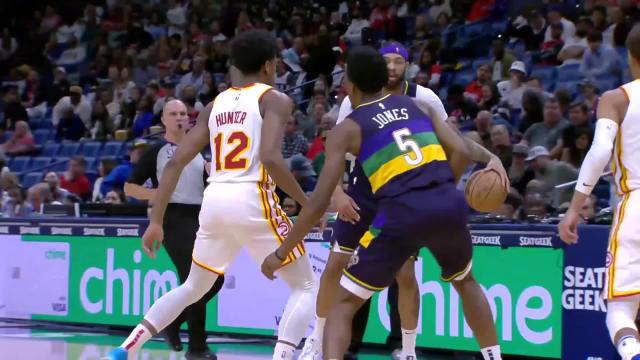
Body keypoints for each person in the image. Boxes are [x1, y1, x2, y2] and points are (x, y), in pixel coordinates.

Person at [262, 46, 503, 360]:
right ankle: (493, 356)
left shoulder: (346, 130)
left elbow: (319, 201)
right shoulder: (418, 106)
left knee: (343, 306)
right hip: (447, 203)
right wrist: (451, 180)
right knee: (465, 281)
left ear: (349, 83)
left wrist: (282, 252)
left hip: (401, 214)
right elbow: (459, 150)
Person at [106, 30, 317, 360]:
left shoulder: (214, 105)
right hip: (251, 197)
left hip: (215, 199)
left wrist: (156, 221)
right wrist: (308, 204)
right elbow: (273, 160)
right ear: (269, 66)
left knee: (193, 286)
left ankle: (126, 348)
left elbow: (176, 161)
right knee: (304, 286)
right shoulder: (274, 99)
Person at [559, 24, 640, 360]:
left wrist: (574, 208)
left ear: (629, 55)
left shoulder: (617, 98)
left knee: (620, 312)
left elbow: (599, 152)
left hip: (635, 205)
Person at [124, 99, 224, 359]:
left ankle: (173, 320)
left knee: (215, 278)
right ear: (164, 120)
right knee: (196, 277)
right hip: (173, 217)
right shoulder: (157, 150)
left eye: (183, 113)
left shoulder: (198, 151)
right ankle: (197, 347)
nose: (180, 117)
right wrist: (158, 193)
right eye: (173, 113)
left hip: (199, 217)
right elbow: (129, 187)